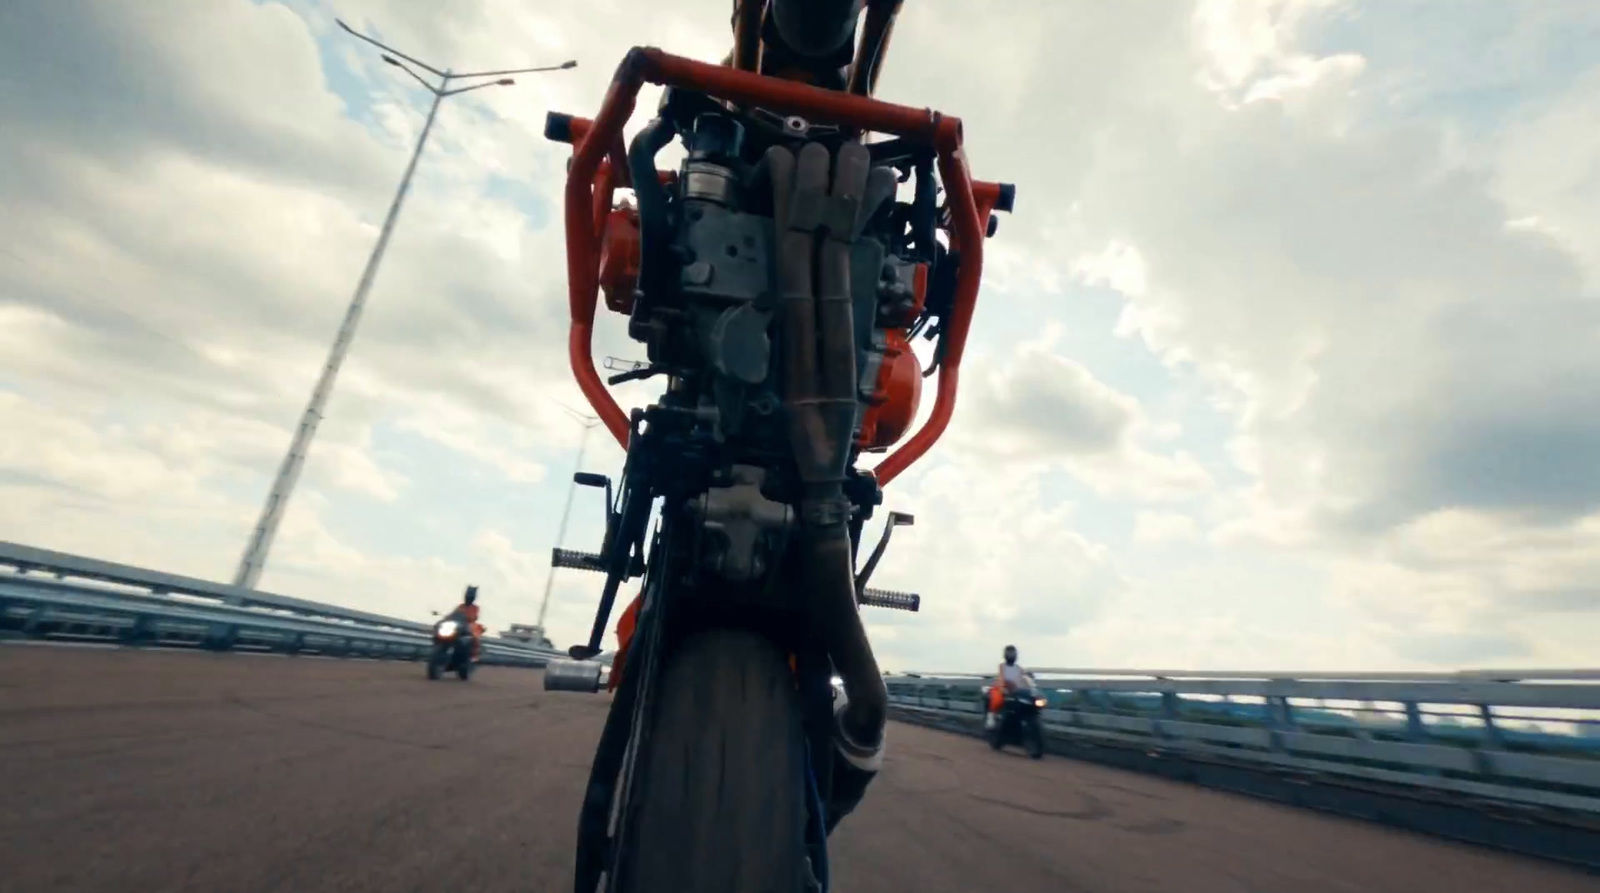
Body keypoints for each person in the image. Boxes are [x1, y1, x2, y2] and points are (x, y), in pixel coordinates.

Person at [986, 645, 1029, 726]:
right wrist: (1003, 687)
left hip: (1016, 690)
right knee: (996, 698)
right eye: (1009, 653)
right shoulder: (1002, 666)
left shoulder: (1019, 668)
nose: (1011, 655)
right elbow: (1001, 677)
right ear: (1005, 655)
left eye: (1013, 653)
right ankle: (992, 716)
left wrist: (1029, 686)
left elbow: (1024, 679)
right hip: (1002, 687)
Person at [456, 585, 483, 660]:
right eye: (467, 596)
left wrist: (469, 618)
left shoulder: (475, 608)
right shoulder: (461, 606)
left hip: (469, 626)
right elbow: (454, 614)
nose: (467, 598)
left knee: (474, 637)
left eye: (469, 597)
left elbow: (475, 616)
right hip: (459, 625)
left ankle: (474, 655)